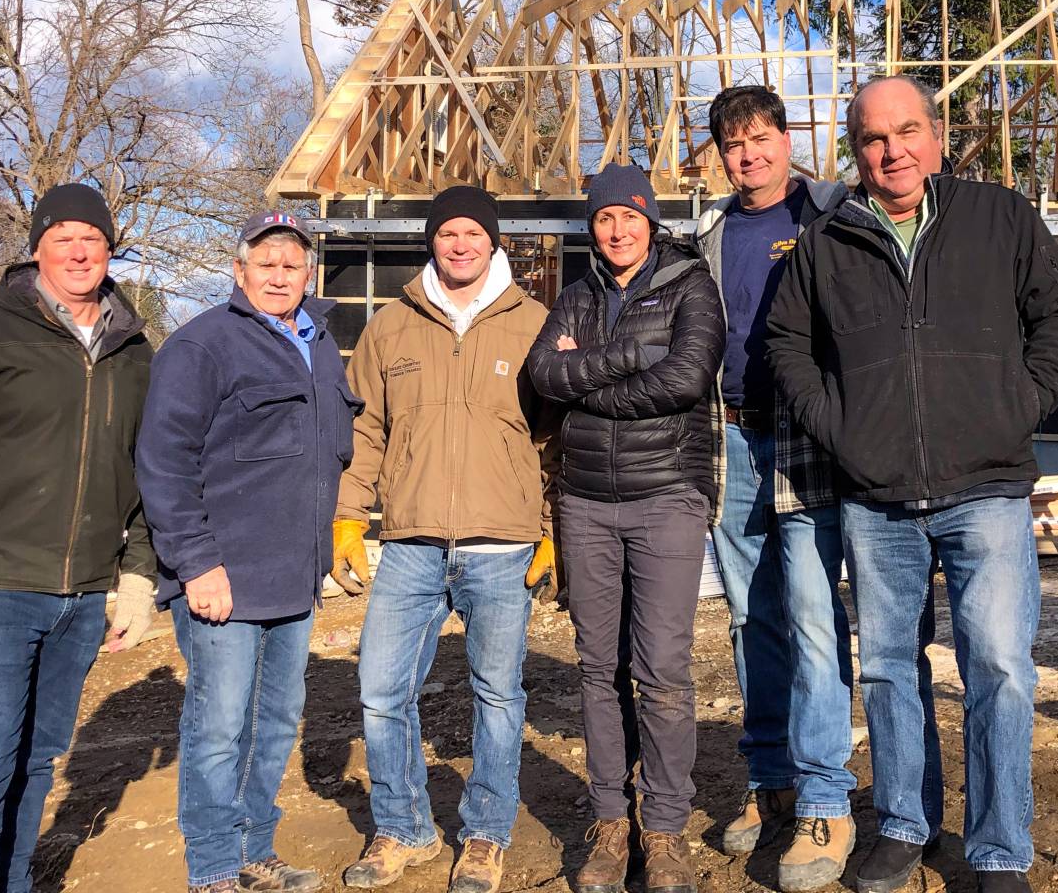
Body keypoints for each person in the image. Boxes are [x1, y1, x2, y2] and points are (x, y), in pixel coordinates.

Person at [765, 76, 1058, 893]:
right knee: (886, 667)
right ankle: (907, 826)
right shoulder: (827, 241)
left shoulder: (997, 217)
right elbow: (786, 344)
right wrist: (841, 427)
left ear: (936, 135)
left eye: (907, 131)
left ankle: (998, 848)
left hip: (986, 488)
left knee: (1000, 668)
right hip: (876, 498)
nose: (893, 151)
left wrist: (1017, 404)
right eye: (874, 139)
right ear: (856, 150)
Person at [0, 182, 158, 893]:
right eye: (63, 237)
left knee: (39, 764)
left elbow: (149, 470)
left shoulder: (135, 352)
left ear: (110, 249)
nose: (79, 251)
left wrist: (137, 575)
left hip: (81, 598)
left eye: (93, 239)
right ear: (37, 247)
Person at [333, 184, 556, 893]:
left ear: (493, 242)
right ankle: (403, 829)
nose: (460, 244)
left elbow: (558, 438)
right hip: (411, 542)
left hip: (502, 546)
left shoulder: (534, 323)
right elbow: (364, 425)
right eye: (447, 233)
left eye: (473, 233)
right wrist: (348, 513)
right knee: (380, 691)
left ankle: (486, 835)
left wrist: (551, 530)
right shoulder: (391, 326)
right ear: (431, 240)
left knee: (498, 695)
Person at [137, 211, 360, 893]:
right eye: (265, 264)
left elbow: (332, 447)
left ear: (308, 274)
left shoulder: (320, 342)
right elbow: (163, 460)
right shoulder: (202, 346)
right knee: (218, 726)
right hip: (224, 577)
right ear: (239, 271)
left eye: (292, 265)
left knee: (275, 722)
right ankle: (211, 868)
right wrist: (196, 563)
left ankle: (254, 852)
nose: (279, 276)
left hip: (295, 574)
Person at [528, 163, 725, 893]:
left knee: (663, 670)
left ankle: (665, 826)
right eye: (604, 219)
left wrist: (591, 387)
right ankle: (611, 821)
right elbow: (543, 373)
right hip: (585, 502)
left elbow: (684, 378)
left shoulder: (689, 286)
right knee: (596, 667)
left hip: (666, 495)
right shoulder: (576, 295)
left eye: (629, 217)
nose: (616, 230)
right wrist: (627, 360)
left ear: (651, 220)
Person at [693, 86, 857, 890]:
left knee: (813, 614)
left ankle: (828, 795)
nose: (749, 154)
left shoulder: (828, 212)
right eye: (733, 144)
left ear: (788, 139)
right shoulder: (713, 233)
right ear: (719, 154)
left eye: (761, 138)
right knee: (750, 615)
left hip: (805, 435)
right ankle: (771, 780)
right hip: (731, 436)